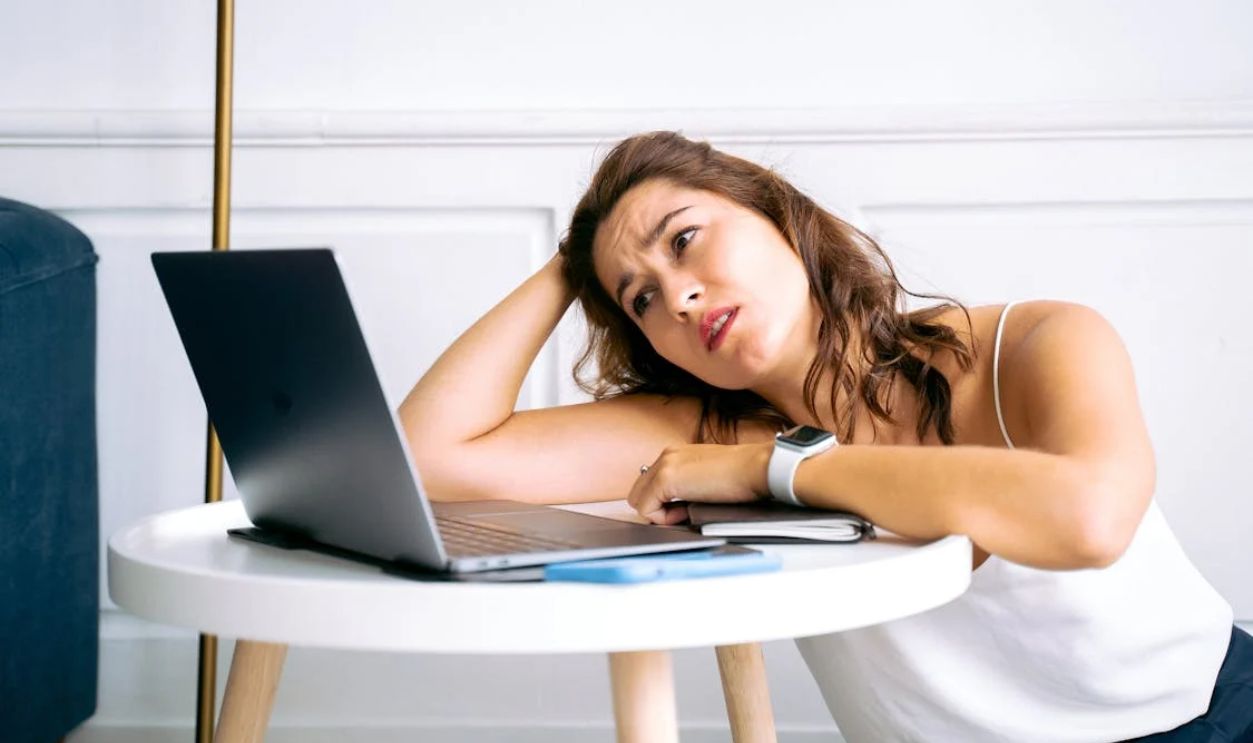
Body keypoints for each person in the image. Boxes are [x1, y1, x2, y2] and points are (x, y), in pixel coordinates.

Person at [398, 131, 1252, 742]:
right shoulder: (697, 430)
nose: (679, 295)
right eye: (641, 298)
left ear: (775, 210)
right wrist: (578, 252)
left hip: (1206, 712)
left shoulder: (1030, 343)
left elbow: (1087, 520)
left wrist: (778, 469)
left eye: (685, 239)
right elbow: (431, 456)